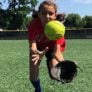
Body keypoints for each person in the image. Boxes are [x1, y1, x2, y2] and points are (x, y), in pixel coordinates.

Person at [28, 1, 66, 92]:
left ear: (55, 15)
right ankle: (38, 89)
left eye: (51, 13)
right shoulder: (33, 24)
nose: (47, 17)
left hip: (52, 48)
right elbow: (33, 45)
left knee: (56, 74)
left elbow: (56, 52)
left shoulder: (58, 28)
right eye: (44, 13)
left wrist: (65, 64)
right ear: (39, 14)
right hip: (38, 48)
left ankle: (52, 69)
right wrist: (37, 52)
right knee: (33, 77)